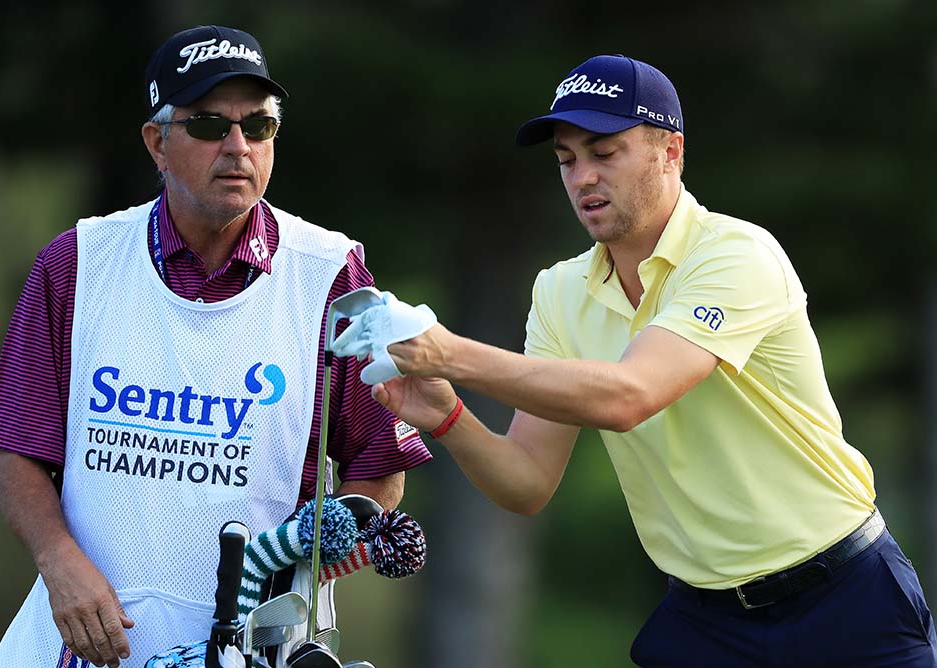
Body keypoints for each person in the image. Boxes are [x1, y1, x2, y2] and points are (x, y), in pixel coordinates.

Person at [346, 55, 937, 666]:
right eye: (567, 160)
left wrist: (449, 352)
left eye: (605, 152)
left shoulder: (737, 254)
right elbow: (526, 482)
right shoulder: (559, 291)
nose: (583, 178)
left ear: (670, 151)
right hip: (705, 621)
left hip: (844, 598)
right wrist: (449, 418)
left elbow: (629, 397)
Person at [0, 25, 431, 668]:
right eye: (211, 125)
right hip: (73, 647)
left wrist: (295, 570)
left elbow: (380, 466)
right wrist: (58, 563)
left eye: (260, 126)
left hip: (248, 651)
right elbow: (18, 452)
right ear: (157, 143)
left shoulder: (328, 274)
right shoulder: (78, 262)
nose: (238, 147)